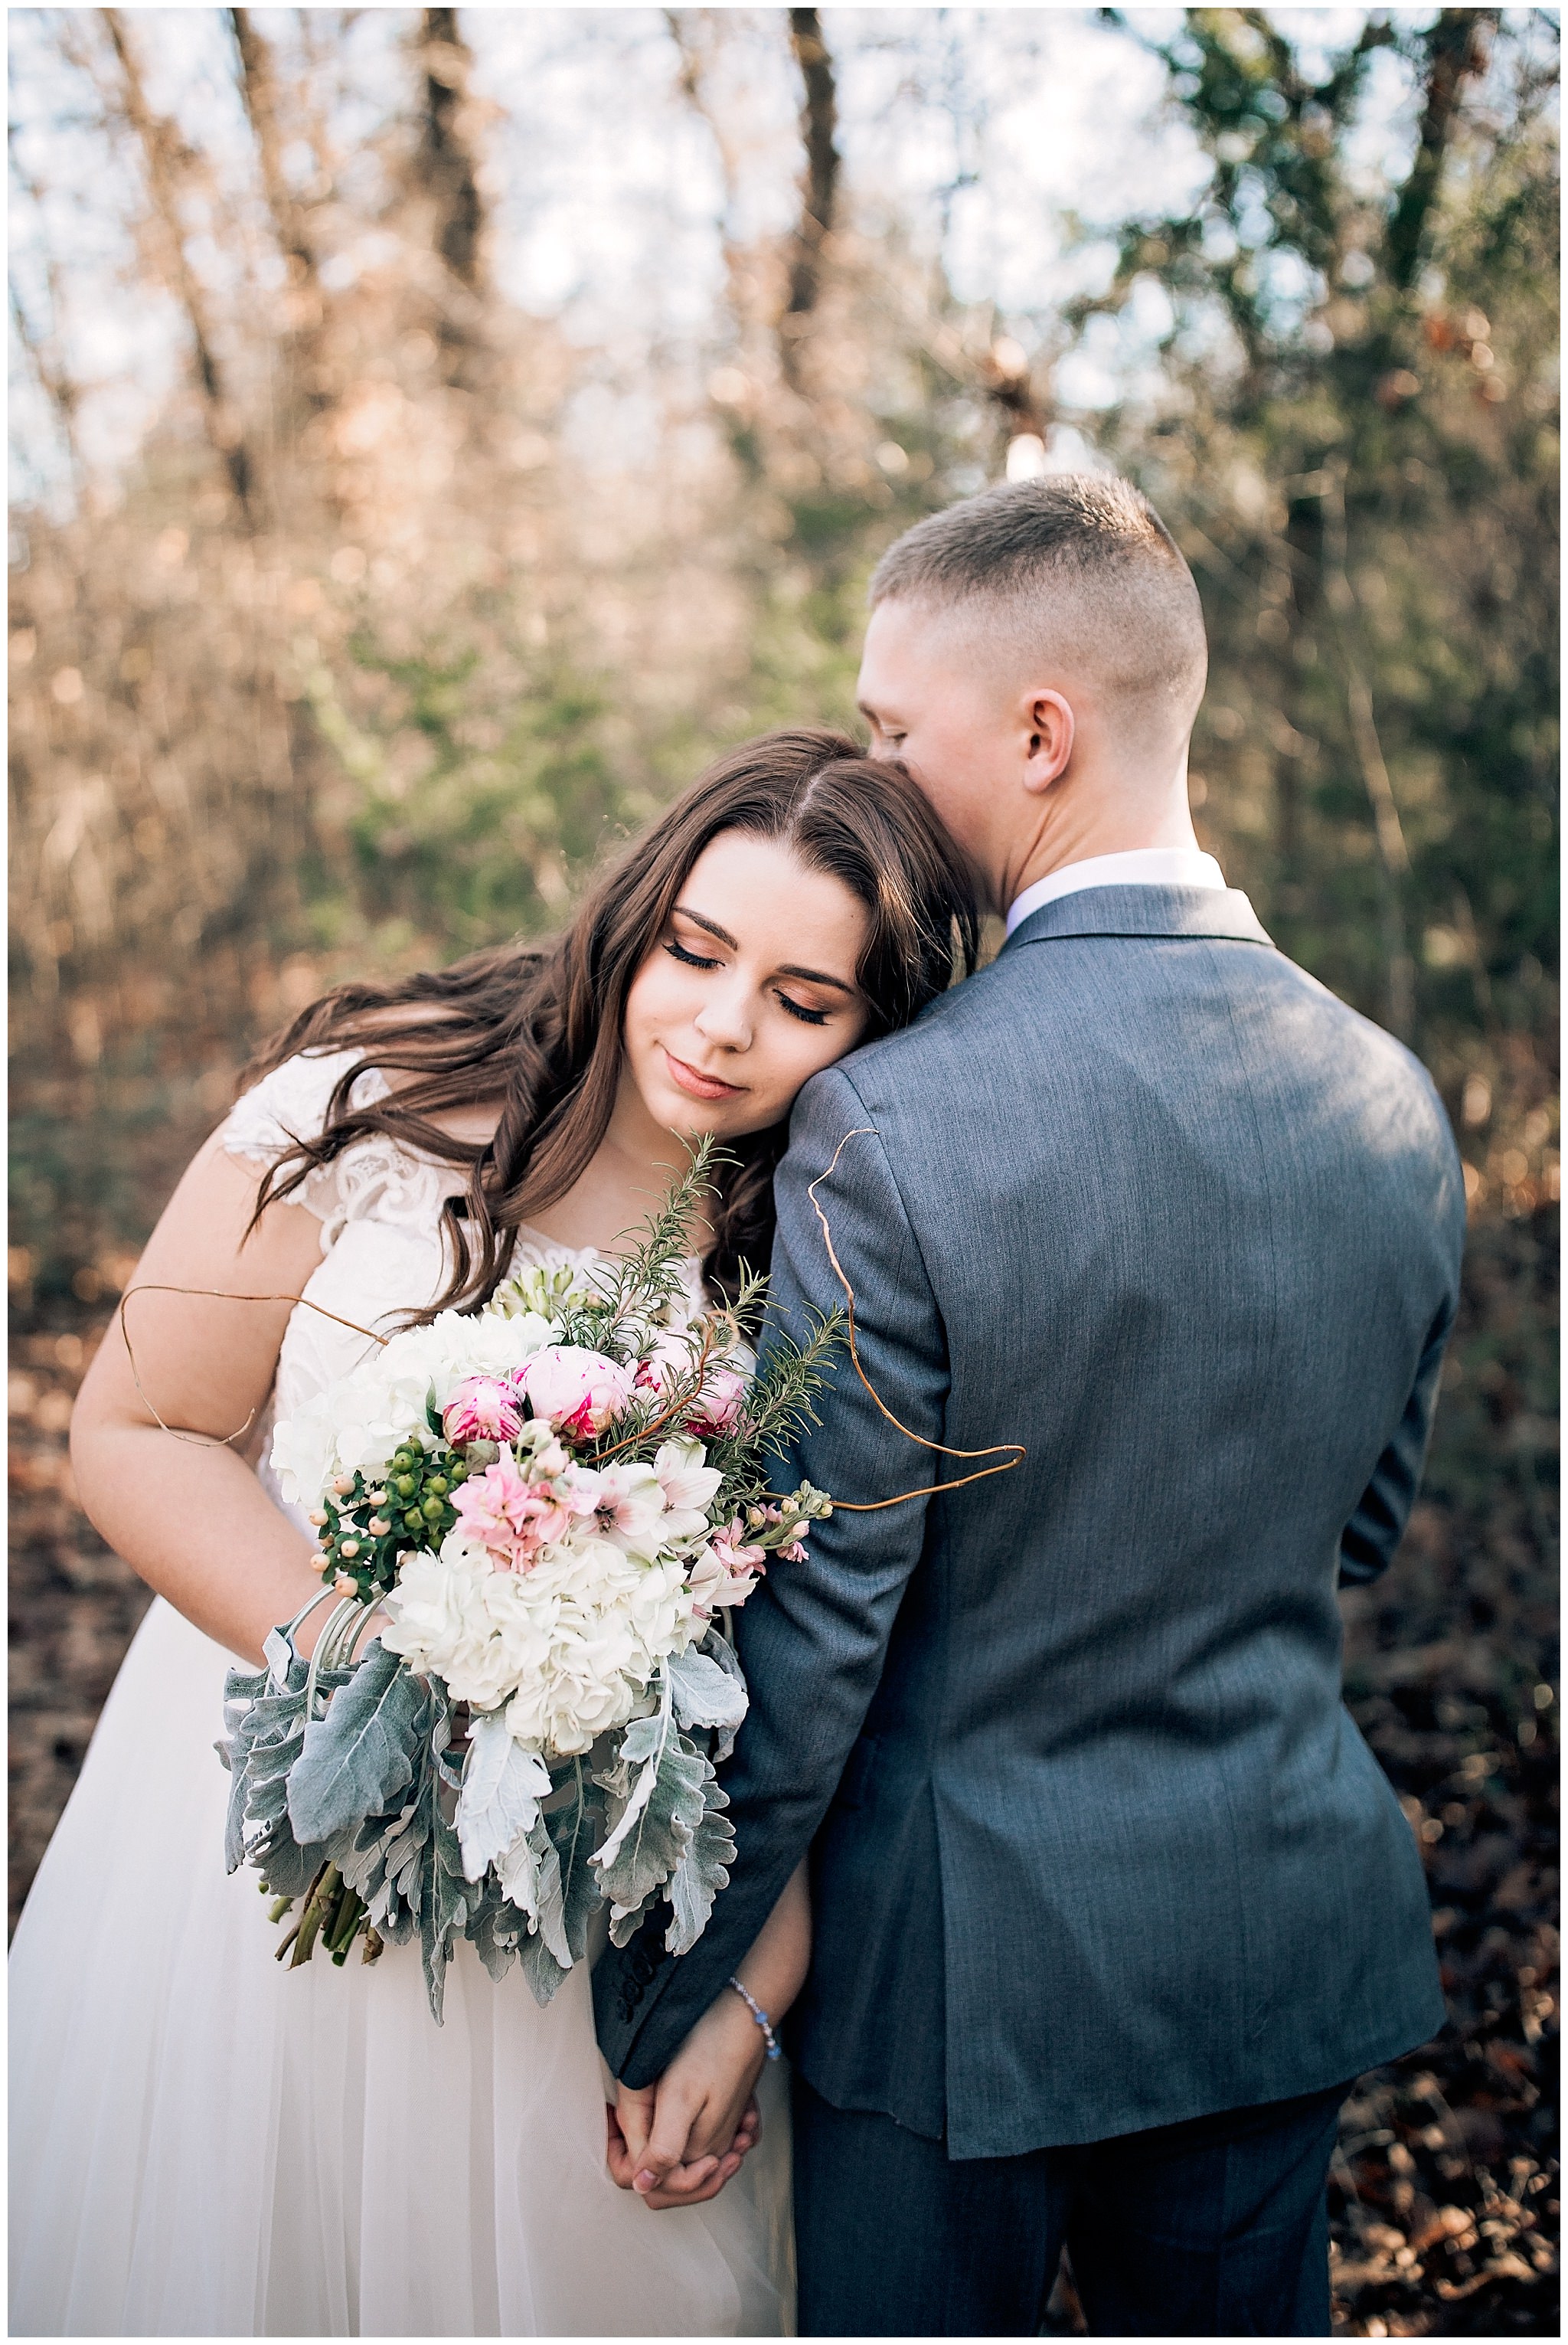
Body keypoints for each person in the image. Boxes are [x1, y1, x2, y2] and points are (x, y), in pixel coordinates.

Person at [596, 475, 1466, 2338]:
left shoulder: (887, 1121)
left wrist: (674, 1999)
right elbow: (1364, 1526)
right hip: (1266, 1941)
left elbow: (823, 1624)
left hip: (952, 1985)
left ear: (1042, 732)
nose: (880, 767)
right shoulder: (1392, 1099)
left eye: (898, 728)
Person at [9, 731, 978, 2339]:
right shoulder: (366, 1102)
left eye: (808, 1004)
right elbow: (137, 1429)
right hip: (257, 1845)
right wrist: (373, 1666)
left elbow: (810, 1666)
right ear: (636, 910)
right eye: (696, 950)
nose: (723, 1026)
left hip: (579, 1935)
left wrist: (747, 1991)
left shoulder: (821, 1247)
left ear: (875, 1032)